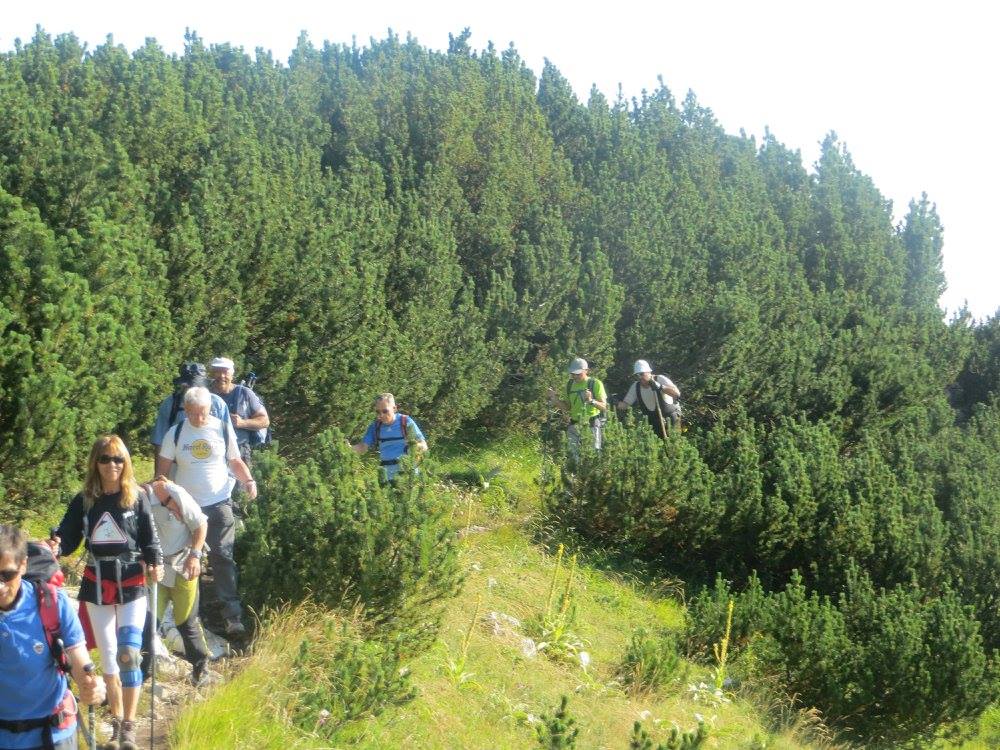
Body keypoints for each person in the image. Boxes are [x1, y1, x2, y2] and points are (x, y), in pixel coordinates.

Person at [49, 436, 162, 750]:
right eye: (105, 459)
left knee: (128, 653)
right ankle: (116, 722)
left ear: (125, 462)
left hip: (132, 581)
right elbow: (68, 538)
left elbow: (150, 539)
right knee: (110, 657)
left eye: (118, 459)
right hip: (97, 583)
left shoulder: (136, 497)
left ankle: (129, 726)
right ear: (95, 463)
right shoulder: (85, 500)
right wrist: (55, 545)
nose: (112, 465)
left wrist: (157, 563)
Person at [156, 387, 257, 639]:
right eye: (192, 413)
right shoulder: (176, 433)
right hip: (186, 509)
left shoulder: (221, 428)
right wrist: (167, 501)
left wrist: (249, 481)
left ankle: (232, 617)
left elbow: (234, 460)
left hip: (219, 502)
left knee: (223, 558)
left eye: (201, 413)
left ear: (209, 409)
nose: (197, 419)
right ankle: (190, 616)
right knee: (187, 561)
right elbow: (162, 473)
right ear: (186, 410)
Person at [0, 525, 105, 750]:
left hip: (53, 735)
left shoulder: (52, 603)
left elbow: (78, 658)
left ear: (23, 565)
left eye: (6, 575)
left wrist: (91, 686)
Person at [143, 476, 213, 686]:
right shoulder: (137, 501)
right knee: (148, 623)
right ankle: (141, 673)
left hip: (184, 565)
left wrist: (195, 556)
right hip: (156, 568)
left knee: (186, 623)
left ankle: (201, 669)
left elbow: (201, 525)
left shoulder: (176, 494)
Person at [149, 362, 230, 459]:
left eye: (197, 387)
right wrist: (160, 472)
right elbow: (159, 441)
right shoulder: (170, 404)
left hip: (211, 466)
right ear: (182, 386)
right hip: (177, 466)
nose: (193, 391)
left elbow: (228, 439)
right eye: (189, 387)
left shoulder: (218, 404)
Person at [351, 393, 428, 484]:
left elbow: (424, 446)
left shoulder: (405, 422)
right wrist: (346, 449)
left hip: (408, 477)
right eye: (378, 412)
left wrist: (413, 447)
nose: (381, 415)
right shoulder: (375, 426)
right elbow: (363, 447)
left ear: (394, 408)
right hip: (386, 477)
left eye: (385, 411)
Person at [208, 357, 270, 465]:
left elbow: (264, 421)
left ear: (232, 375)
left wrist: (242, 423)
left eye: (225, 372)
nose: (221, 376)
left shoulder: (245, 393)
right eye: (218, 372)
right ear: (212, 373)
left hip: (239, 452)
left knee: (242, 482)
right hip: (210, 452)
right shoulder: (204, 394)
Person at [547, 357, 608, 457]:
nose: (575, 376)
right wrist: (554, 399)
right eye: (573, 374)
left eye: (578, 373)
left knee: (593, 456)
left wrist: (591, 401)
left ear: (586, 371)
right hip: (574, 425)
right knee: (574, 457)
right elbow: (567, 407)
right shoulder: (569, 385)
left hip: (592, 425)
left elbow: (604, 407)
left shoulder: (595, 383)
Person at [617, 359, 682, 437]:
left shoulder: (660, 379)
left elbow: (676, 394)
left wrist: (660, 387)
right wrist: (615, 403)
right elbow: (625, 405)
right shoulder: (636, 386)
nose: (640, 377)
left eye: (641, 374)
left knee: (675, 445)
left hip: (672, 420)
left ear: (649, 372)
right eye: (637, 375)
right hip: (655, 424)